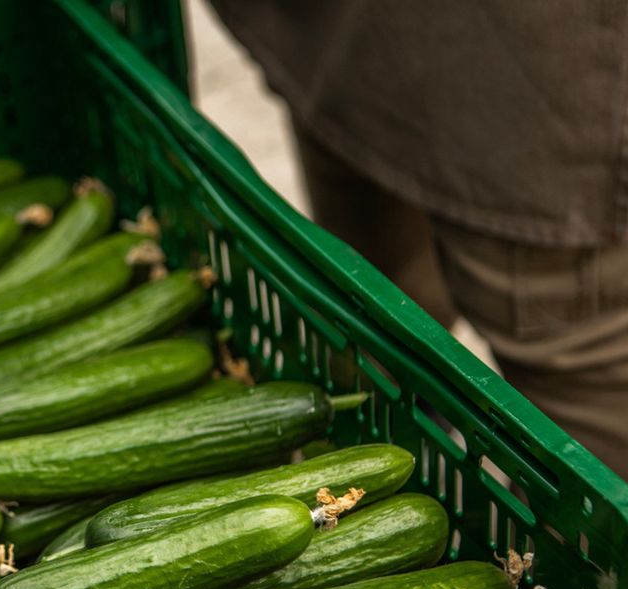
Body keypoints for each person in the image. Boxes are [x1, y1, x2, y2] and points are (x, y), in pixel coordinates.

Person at [206, 0, 628, 478]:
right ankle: (406, 445)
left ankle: (405, 442)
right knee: (380, 309)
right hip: (510, 71)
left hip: (523, 92)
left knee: (382, 307)